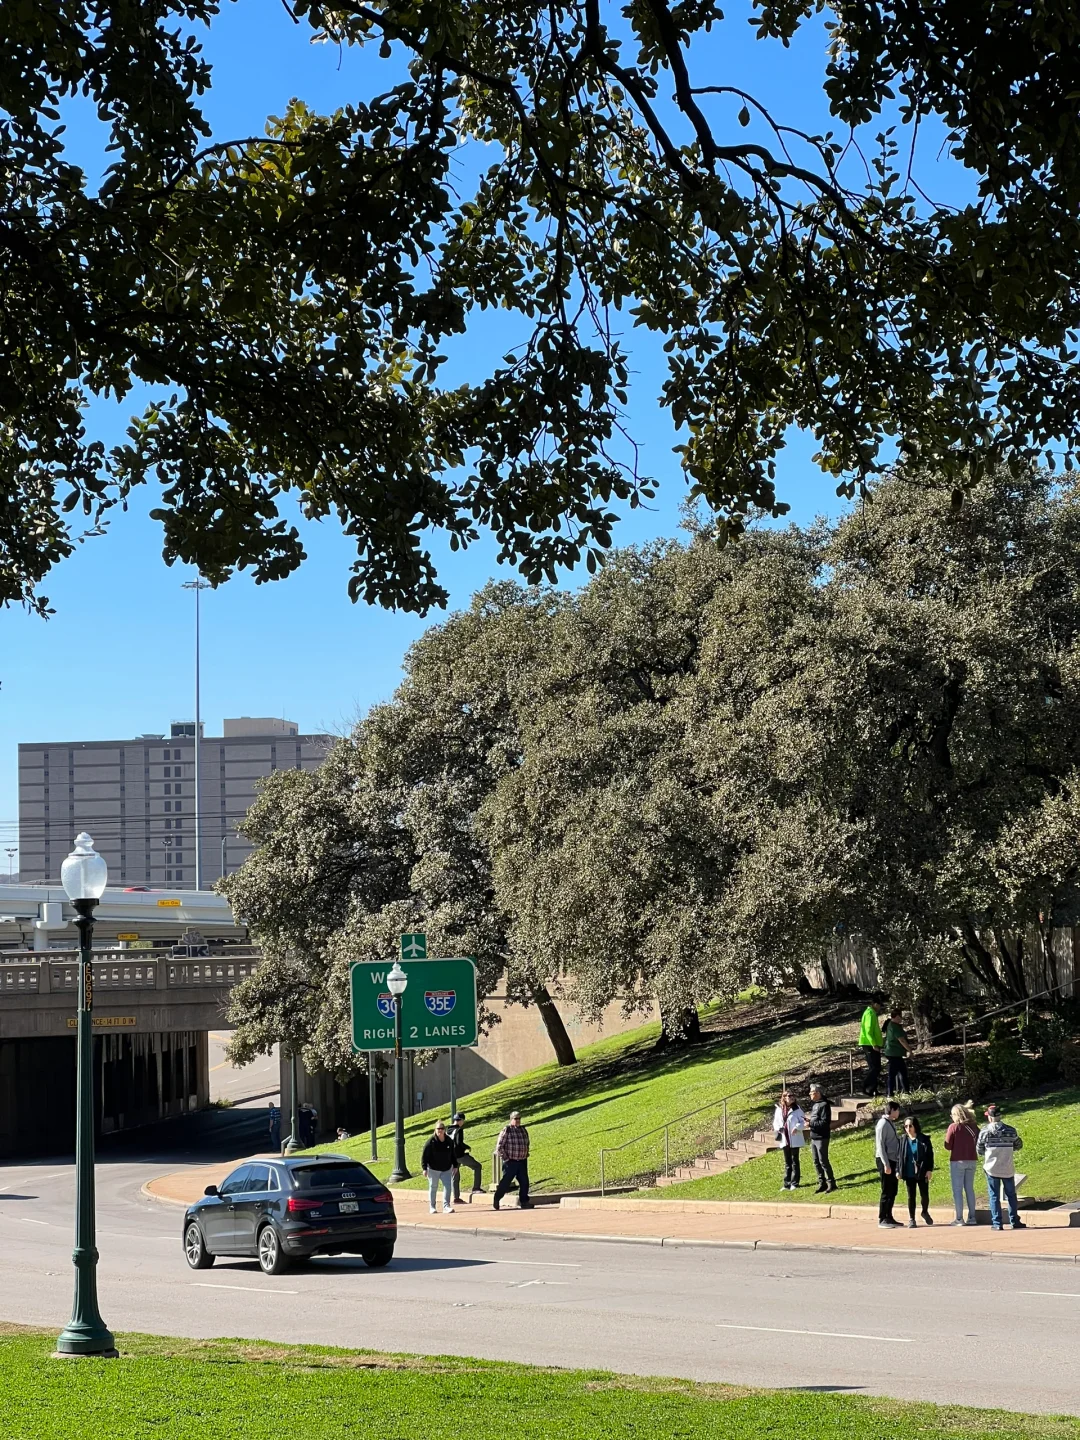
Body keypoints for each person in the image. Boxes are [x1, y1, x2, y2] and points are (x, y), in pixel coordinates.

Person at [977, 1103, 1027, 1231]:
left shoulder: (984, 1132)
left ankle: (997, 1223)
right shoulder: (1010, 1130)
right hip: (1007, 1167)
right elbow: (1018, 1145)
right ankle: (1014, 1220)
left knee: (993, 1195)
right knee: (1011, 1195)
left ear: (989, 1117)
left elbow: (979, 1149)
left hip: (991, 1168)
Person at [943, 1102, 979, 1226]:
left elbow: (947, 1145)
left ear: (956, 1115)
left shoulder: (953, 1127)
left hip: (957, 1160)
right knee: (969, 1189)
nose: (951, 1116)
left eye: (952, 1114)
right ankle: (972, 1217)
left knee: (957, 1190)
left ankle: (959, 1218)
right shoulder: (974, 1126)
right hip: (972, 1159)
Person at [899, 1114, 935, 1227]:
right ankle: (912, 1219)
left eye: (910, 1126)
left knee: (924, 1195)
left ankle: (924, 1212)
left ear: (915, 1126)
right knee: (911, 1196)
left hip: (922, 1171)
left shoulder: (923, 1139)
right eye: (906, 1126)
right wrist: (898, 1170)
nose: (908, 1129)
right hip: (909, 1172)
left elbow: (930, 1155)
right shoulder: (903, 1140)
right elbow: (899, 1156)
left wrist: (929, 1170)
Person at [493, 1110, 532, 1210]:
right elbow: (499, 1147)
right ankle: (497, 1198)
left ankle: (524, 1202)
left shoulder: (523, 1129)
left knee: (524, 1182)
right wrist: (506, 1158)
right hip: (510, 1162)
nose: (518, 1120)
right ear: (511, 1119)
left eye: (519, 1118)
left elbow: (527, 1142)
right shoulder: (507, 1130)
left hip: (522, 1161)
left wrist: (526, 1153)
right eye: (515, 1119)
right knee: (505, 1183)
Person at [875, 1100, 903, 1228]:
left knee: (893, 1190)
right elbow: (880, 1145)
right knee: (886, 1190)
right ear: (891, 1110)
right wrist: (886, 1164)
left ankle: (889, 1216)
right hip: (885, 1160)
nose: (898, 1113)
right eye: (897, 1110)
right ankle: (882, 1218)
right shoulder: (882, 1124)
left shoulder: (889, 1123)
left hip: (893, 1160)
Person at [421, 1120, 458, 1214]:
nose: (440, 1131)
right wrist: (424, 1168)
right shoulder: (431, 1141)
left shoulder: (449, 1141)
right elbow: (424, 1155)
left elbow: (453, 1154)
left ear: (444, 1130)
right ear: (435, 1130)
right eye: (438, 1129)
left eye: (442, 1129)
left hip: (446, 1168)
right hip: (433, 1169)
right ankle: (432, 1207)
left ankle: (446, 1206)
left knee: (448, 1187)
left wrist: (455, 1165)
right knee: (433, 1187)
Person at [806, 1082, 837, 1194]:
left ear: (818, 1093)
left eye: (812, 1092)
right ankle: (822, 1183)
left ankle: (831, 1183)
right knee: (816, 1161)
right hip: (814, 1137)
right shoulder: (815, 1104)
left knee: (823, 1161)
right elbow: (816, 1121)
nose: (810, 1094)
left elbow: (824, 1123)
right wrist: (810, 1122)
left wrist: (810, 1124)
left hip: (821, 1137)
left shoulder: (824, 1105)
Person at [772, 1090, 806, 1191]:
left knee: (795, 1161)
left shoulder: (797, 1109)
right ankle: (786, 1184)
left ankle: (795, 1183)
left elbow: (803, 1122)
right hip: (784, 1138)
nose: (792, 1097)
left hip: (794, 1138)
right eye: (789, 1096)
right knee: (788, 1162)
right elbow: (776, 1122)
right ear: (784, 1097)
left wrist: (797, 1127)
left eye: (793, 1096)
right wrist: (779, 1128)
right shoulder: (779, 1109)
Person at [450, 1112, 483, 1203]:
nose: (463, 1123)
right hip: (460, 1156)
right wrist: (467, 1147)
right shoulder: (459, 1130)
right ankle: (476, 1188)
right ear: (460, 1121)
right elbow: (459, 1143)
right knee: (477, 1166)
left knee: (455, 1177)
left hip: (451, 1157)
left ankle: (456, 1197)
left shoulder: (448, 1130)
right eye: (462, 1121)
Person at [881, 1008, 910, 1098]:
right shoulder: (894, 1026)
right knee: (894, 1073)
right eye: (900, 1017)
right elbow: (901, 1040)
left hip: (894, 1053)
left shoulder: (891, 1024)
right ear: (896, 1017)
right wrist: (910, 1050)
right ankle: (891, 1093)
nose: (901, 1019)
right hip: (894, 1053)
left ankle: (905, 1091)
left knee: (901, 1072)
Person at [858, 1003, 884, 1098]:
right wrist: (874, 1044)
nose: (880, 1007)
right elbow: (868, 1031)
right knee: (876, 1067)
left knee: (873, 1067)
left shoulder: (870, 1012)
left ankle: (872, 1089)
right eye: (880, 1005)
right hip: (869, 1044)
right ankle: (865, 1084)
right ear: (875, 1004)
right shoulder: (870, 1013)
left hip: (870, 1043)